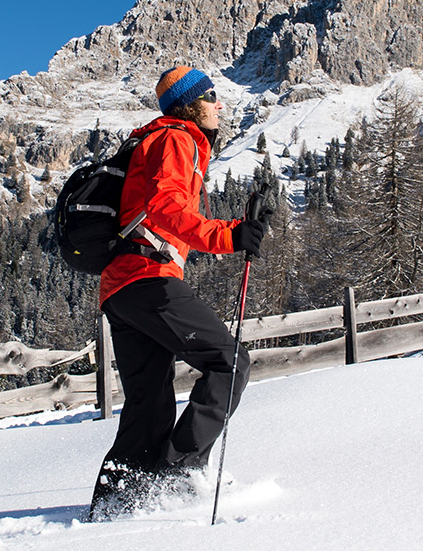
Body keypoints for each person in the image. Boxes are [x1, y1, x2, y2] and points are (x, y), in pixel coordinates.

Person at [86, 66, 273, 521]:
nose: (219, 105)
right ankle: (179, 474)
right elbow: (164, 208)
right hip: (147, 278)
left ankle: (118, 500)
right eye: (211, 97)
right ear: (190, 103)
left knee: (148, 399)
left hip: (120, 287)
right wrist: (230, 237)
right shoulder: (176, 138)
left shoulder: (157, 139)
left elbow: (157, 212)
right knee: (229, 361)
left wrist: (233, 231)